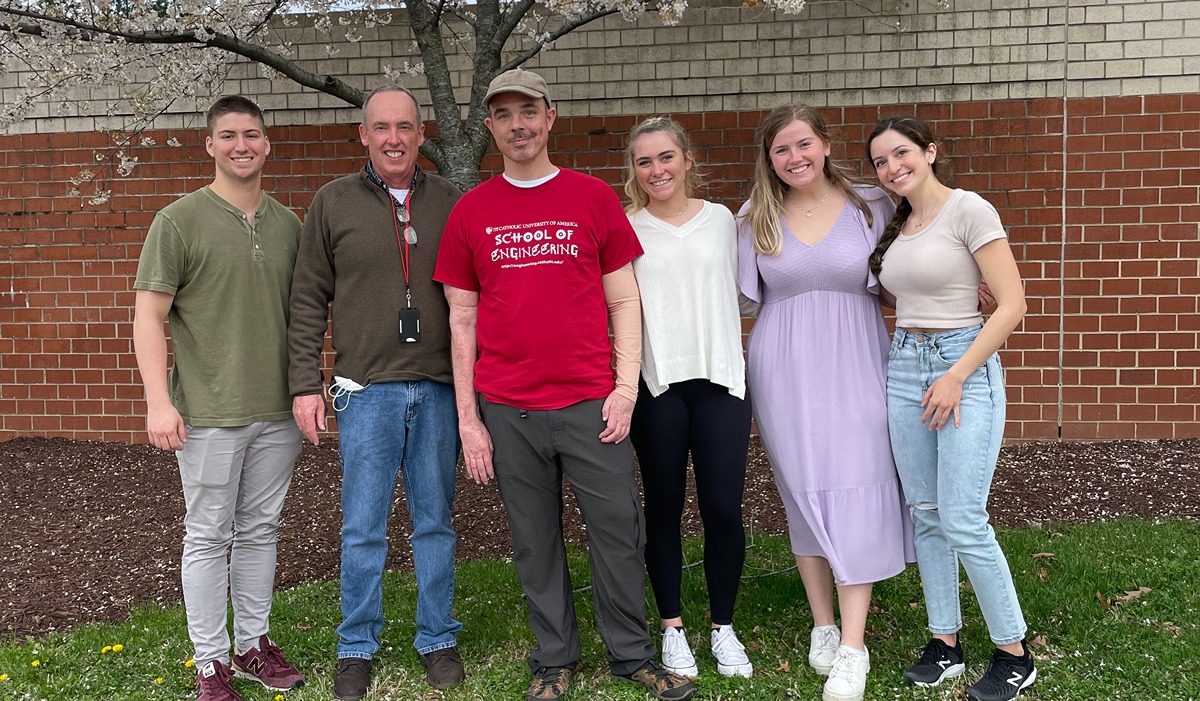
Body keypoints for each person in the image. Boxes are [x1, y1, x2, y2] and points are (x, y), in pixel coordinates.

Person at [433, 68, 696, 701]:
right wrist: (469, 419)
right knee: (533, 540)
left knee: (616, 532)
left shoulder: (591, 197)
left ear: (550, 117)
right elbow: (461, 318)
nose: (518, 125)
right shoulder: (473, 210)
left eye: (529, 111)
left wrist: (625, 388)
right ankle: (554, 658)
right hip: (509, 407)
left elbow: (624, 301)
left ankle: (632, 655)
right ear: (489, 127)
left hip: (589, 402)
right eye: (504, 114)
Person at [287, 84, 464, 700]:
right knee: (363, 527)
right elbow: (308, 297)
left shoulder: (450, 200)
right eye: (380, 127)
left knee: (434, 523)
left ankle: (437, 636)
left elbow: (477, 300)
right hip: (364, 392)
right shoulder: (332, 203)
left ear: (421, 135)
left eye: (405, 127)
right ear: (363, 135)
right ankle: (356, 645)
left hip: (439, 390)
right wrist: (305, 385)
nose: (393, 138)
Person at [736, 104, 913, 701]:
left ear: (826, 144)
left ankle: (854, 649)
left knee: (859, 480)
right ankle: (823, 624)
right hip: (782, 365)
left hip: (859, 356)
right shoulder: (753, 216)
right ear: (769, 159)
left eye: (804, 143)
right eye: (781, 149)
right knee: (804, 488)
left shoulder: (873, 205)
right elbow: (736, 297)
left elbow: (910, 270)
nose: (795, 158)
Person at [132, 95, 306, 701]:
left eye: (252, 134)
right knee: (208, 534)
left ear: (267, 143)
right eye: (228, 135)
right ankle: (211, 664)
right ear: (209, 145)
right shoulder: (178, 221)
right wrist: (159, 400)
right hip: (207, 411)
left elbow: (304, 316)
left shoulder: (289, 225)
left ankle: (253, 644)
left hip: (277, 411)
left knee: (260, 530)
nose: (241, 145)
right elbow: (147, 316)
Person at [867, 116, 1034, 701]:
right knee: (928, 513)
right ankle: (945, 643)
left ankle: (1014, 652)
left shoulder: (969, 209)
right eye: (881, 162)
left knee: (963, 517)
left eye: (902, 153)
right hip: (906, 361)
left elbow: (1012, 304)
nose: (892, 168)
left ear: (930, 151)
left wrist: (958, 375)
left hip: (962, 364)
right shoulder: (902, 224)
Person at [623, 117, 754, 679]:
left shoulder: (723, 221)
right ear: (634, 171)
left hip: (721, 379)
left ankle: (723, 627)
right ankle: (673, 628)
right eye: (645, 161)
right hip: (659, 386)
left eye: (666, 157)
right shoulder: (627, 228)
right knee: (664, 509)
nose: (657, 170)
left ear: (687, 159)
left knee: (723, 508)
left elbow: (745, 292)